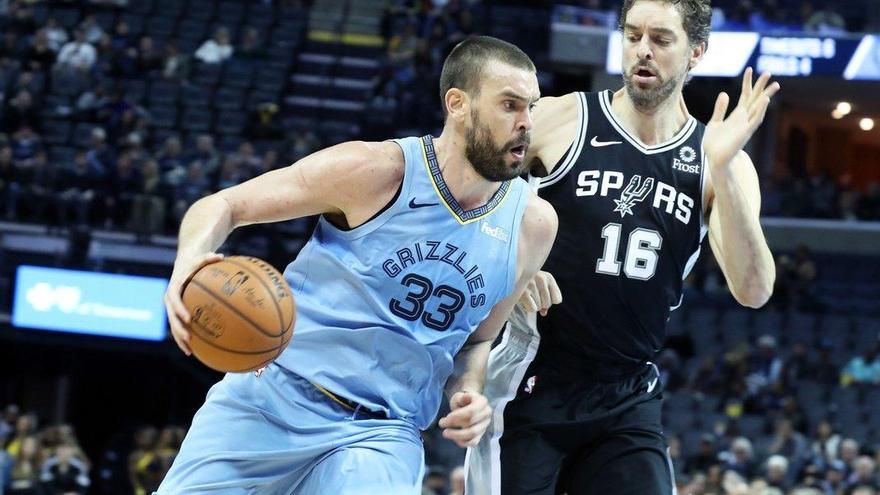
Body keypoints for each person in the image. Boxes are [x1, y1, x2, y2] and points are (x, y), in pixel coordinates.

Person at [158, 36, 557, 494]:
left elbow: (477, 341)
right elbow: (224, 205)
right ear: (457, 104)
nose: (526, 123)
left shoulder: (533, 225)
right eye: (510, 105)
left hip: (381, 434)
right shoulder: (375, 171)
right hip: (271, 398)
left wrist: (469, 392)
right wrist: (190, 260)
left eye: (532, 107)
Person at [465, 1, 780, 494]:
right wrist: (512, 261)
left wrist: (720, 166)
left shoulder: (723, 162)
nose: (642, 51)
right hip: (530, 383)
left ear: (697, 51)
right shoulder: (560, 119)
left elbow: (754, 290)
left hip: (627, 394)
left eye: (660, 38)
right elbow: (464, 201)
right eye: (632, 36)